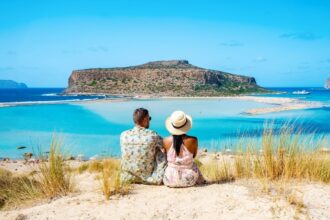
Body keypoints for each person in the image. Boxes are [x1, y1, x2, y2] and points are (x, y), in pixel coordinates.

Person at [120, 108, 166, 184]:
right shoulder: (152, 135)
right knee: (160, 152)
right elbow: (165, 145)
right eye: (149, 118)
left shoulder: (124, 135)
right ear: (145, 119)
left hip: (126, 177)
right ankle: (154, 175)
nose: (149, 121)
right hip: (148, 177)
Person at [163, 110, 204, 187]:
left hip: (169, 179)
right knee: (195, 164)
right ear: (186, 125)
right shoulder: (193, 140)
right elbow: (194, 156)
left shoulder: (166, 141)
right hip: (189, 180)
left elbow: (165, 158)